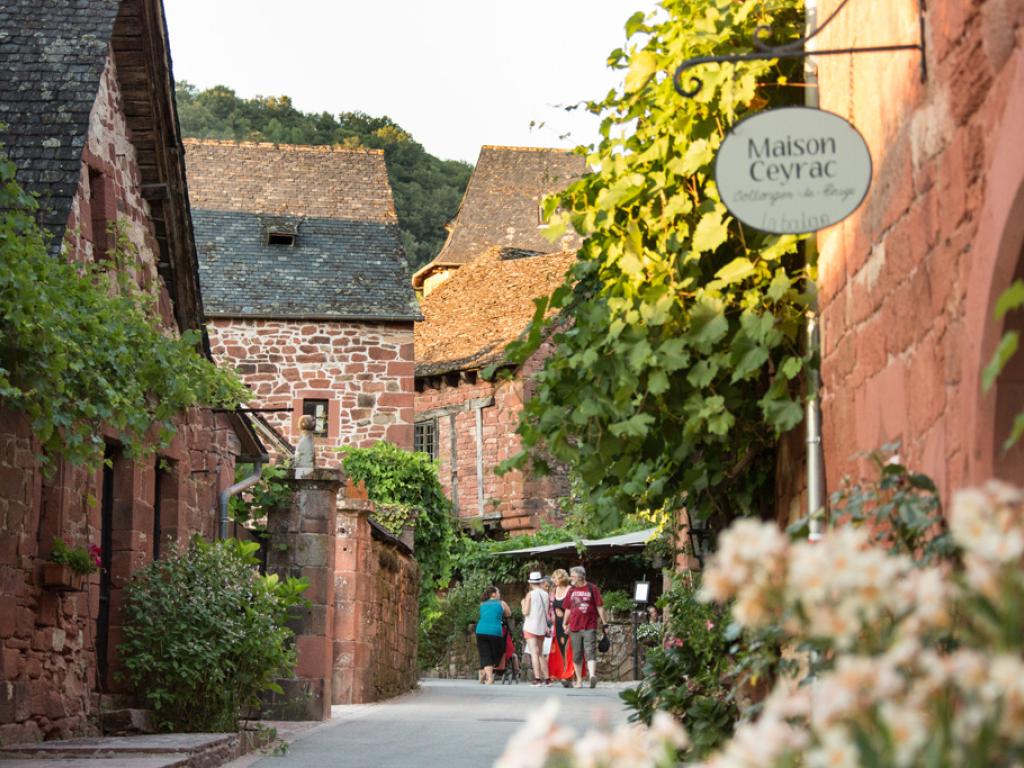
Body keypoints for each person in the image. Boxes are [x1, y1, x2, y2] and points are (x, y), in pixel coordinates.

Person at [563, 565, 607, 689]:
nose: (570, 578)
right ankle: (579, 681)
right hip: (574, 626)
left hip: (589, 625)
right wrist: (565, 623)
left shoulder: (592, 588)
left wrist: (605, 623)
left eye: (573, 576)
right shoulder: (571, 590)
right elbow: (568, 608)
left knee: (590, 650)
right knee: (576, 654)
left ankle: (592, 676)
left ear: (580, 576)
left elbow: (599, 606)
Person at [521, 571, 551, 686]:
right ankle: (547, 679)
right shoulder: (546, 594)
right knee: (540, 653)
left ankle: (537, 679)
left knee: (534, 652)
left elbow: (525, 612)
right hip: (541, 627)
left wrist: (523, 603)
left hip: (530, 627)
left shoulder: (530, 594)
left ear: (530, 583)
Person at [475, 586, 511, 685]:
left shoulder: (482, 604)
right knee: (498, 653)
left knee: (485, 654)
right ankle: (490, 678)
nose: (499, 594)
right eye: (498, 592)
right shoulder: (502, 603)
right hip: (495, 632)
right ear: (494, 594)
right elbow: (509, 614)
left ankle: (485, 672)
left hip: (480, 630)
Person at [546, 568, 575, 687]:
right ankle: (565, 674)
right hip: (557, 624)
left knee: (569, 650)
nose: (553, 580)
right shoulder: (555, 590)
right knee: (561, 649)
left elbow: (573, 608)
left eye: (555, 578)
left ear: (562, 578)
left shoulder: (570, 590)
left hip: (568, 623)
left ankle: (569, 676)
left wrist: (569, 624)